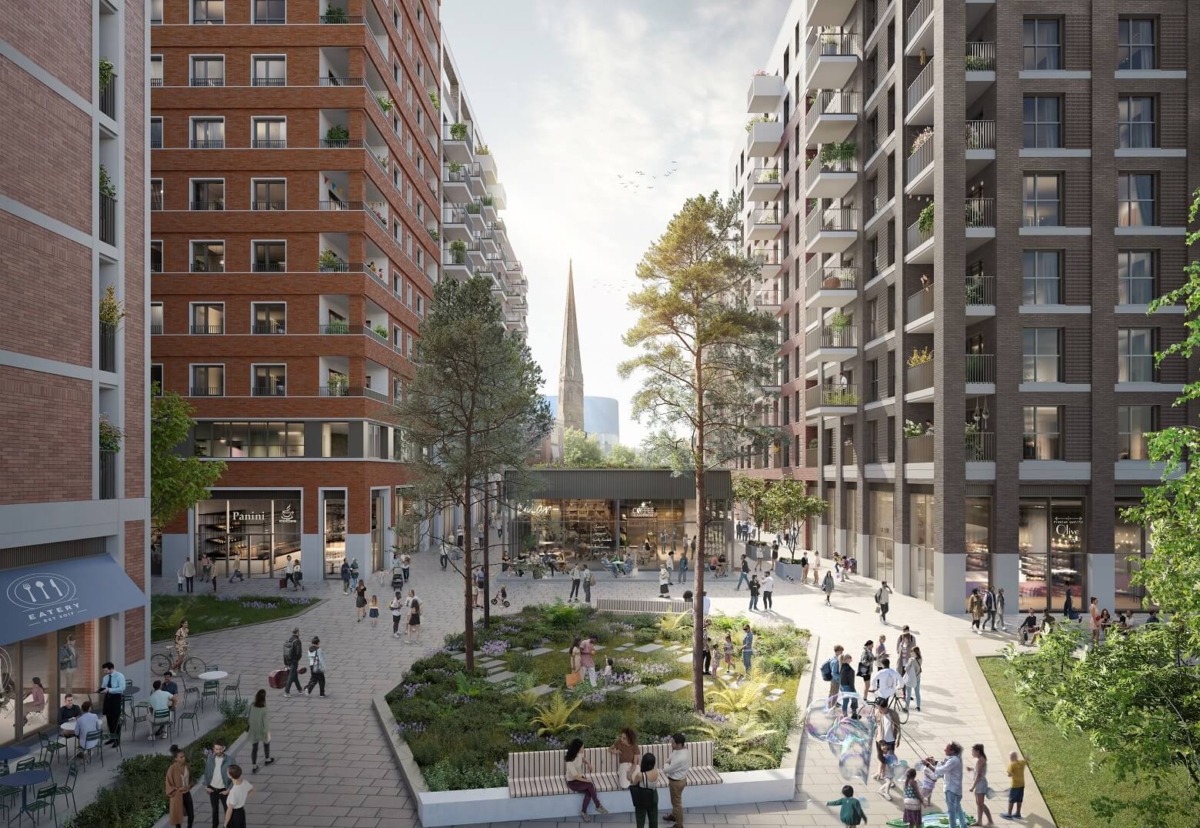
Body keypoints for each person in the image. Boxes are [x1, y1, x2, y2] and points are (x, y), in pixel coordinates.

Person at [564, 738, 608, 822]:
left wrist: (588, 764)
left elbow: (583, 759)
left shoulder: (579, 754)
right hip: (572, 782)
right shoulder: (570, 761)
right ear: (578, 748)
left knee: (589, 792)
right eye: (582, 747)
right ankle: (598, 806)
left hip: (580, 779)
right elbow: (575, 776)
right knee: (590, 785)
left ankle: (584, 812)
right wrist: (587, 781)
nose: (584, 749)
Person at [926, 742, 968, 828]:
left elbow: (940, 770)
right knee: (957, 808)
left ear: (952, 751)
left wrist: (927, 765)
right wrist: (934, 762)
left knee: (951, 811)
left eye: (947, 748)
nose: (944, 749)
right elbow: (944, 765)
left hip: (951, 789)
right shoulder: (955, 759)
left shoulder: (953, 760)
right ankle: (963, 825)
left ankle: (953, 826)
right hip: (956, 789)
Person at [204, 739, 237, 828]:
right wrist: (206, 786)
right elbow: (206, 773)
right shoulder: (210, 759)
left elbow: (235, 777)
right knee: (214, 811)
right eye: (216, 749)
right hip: (212, 789)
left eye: (220, 749)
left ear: (224, 748)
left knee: (228, 811)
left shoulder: (230, 760)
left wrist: (228, 790)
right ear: (213, 749)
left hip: (224, 790)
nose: (219, 751)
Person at [662, 733, 690, 826]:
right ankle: (674, 816)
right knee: (675, 801)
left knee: (676, 804)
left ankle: (679, 825)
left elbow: (666, 769)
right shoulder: (681, 750)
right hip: (679, 780)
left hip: (676, 783)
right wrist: (668, 761)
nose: (671, 744)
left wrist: (666, 763)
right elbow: (671, 756)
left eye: (673, 743)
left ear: (679, 744)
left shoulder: (681, 758)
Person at [628, 751, 660, 828]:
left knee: (640, 818)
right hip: (653, 795)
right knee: (653, 818)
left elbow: (634, 784)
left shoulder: (640, 775)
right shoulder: (657, 771)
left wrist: (630, 778)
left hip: (642, 797)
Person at [167, 744, 195, 828]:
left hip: (187, 794)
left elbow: (191, 778)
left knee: (191, 815)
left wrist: (190, 785)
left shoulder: (187, 766)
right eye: (181, 757)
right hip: (177, 795)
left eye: (184, 756)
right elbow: (168, 784)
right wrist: (178, 789)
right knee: (177, 817)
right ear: (176, 759)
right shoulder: (172, 769)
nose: (183, 758)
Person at [873, 698, 902, 781]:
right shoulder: (878, 713)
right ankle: (879, 772)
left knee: (888, 759)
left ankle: (887, 776)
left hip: (890, 740)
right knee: (881, 757)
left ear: (884, 707)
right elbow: (875, 724)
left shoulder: (893, 714)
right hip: (880, 739)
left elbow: (898, 727)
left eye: (879, 708)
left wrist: (898, 739)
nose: (878, 709)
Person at [98, 661, 126, 744]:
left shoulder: (119, 676)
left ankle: (117, 740)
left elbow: (121, 688)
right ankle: (112, 737)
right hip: (107, 698)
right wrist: (101, 690)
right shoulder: (106, 677)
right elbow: (103, 687)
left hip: (115, 698)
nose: (104, 672)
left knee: (116, 720)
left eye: (106, 670)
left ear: (112, 669)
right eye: (104, 670)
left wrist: (109, 690)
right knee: (109, 720)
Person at [248, 689, 273, 773]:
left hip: (253, 730)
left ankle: (254, 766)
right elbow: (265, 723)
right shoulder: (264, 709)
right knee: (266, 744)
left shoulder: (252, 705)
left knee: (254, 748)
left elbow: (249, 717)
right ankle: (267, 759)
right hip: (262, 730)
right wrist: (268, 732)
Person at [969, 744, 994, 826]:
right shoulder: (981, 759)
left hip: (980, 784)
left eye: (973, 751)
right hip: (979, 783)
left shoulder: (981, 760)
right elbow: (979, 771)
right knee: (978, 803)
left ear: (978, 751)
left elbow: (979, 775)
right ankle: (979, 821)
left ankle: (990, 821)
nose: (972, 753)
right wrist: (972, 769)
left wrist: (973, 787)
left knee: (981, 803)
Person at [1003, 751, 1027, 820]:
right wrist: (1027, 758)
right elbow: (1026, 761)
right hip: (1022, 784)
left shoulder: (1012, 764)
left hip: (1015, 785)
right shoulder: (1022, 762)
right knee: (1019, 799)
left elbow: (1009, 774)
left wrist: (1010, 774)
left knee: (1011, 799)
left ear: (1013, 757)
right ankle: (1018, 813)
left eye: (1010, 757)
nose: (1010, 758)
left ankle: (1009, 814)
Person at [282, 627, 303, 698]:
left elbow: (284, 653)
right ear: (297, 632)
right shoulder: (297, 641)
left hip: (288, 660)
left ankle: (300, 689)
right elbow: (299, 653)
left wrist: (285, 663)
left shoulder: (288, 640)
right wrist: (297, 659)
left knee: (294, 675)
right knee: (291, 676)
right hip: (294, 661)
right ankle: (286, 692)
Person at [839, 654, 859, 718]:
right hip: (848, 686)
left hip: (842, 686)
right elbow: (850, 680)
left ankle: (844, 714)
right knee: (854, 699)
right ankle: (854, 713)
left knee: (845, 701)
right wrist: (853, 689)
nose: (851, 659)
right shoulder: (848, 669)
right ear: (847, 659)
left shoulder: (842, 666)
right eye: (850, 658)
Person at [903, 647, 923, 711]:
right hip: (917, 677)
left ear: (914, 652)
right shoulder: (920, 658)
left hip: (911, 678)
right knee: (917, 693)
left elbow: (906, 669)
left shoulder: (911, 659)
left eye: (911, 651)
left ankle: (907, 707)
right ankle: (918, 706)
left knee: (908, 693)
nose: (910, 653)